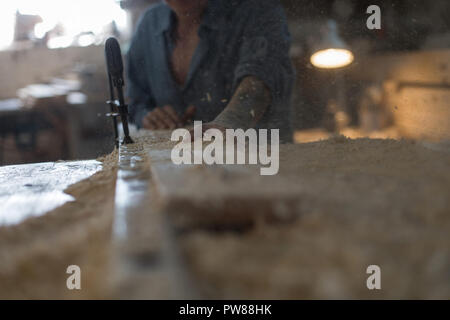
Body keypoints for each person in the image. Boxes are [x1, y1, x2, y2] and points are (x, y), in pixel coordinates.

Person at [127, 0, 294, 142]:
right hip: (177, 167)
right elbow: (135, 102)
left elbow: (262, 76)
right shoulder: (149, 24)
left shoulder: (258, 10)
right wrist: (148, 116)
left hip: (262, 161)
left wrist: (231, 121)